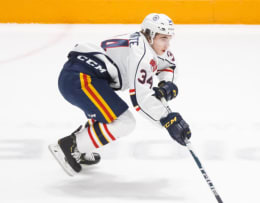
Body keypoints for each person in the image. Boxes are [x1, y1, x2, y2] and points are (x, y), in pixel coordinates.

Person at [48, 13, 191, 176]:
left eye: (169, 38)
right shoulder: (141, 55)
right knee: (124, 122)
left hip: (81, 75)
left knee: (109, 115)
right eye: (163, 38)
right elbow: (141, 100)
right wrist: (167, 120)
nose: (167, 44)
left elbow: (169, 65)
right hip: (80, 79)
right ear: (150, 36)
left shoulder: (144, 43)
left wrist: (166, 83)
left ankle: (81, 145)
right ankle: (69, 146)